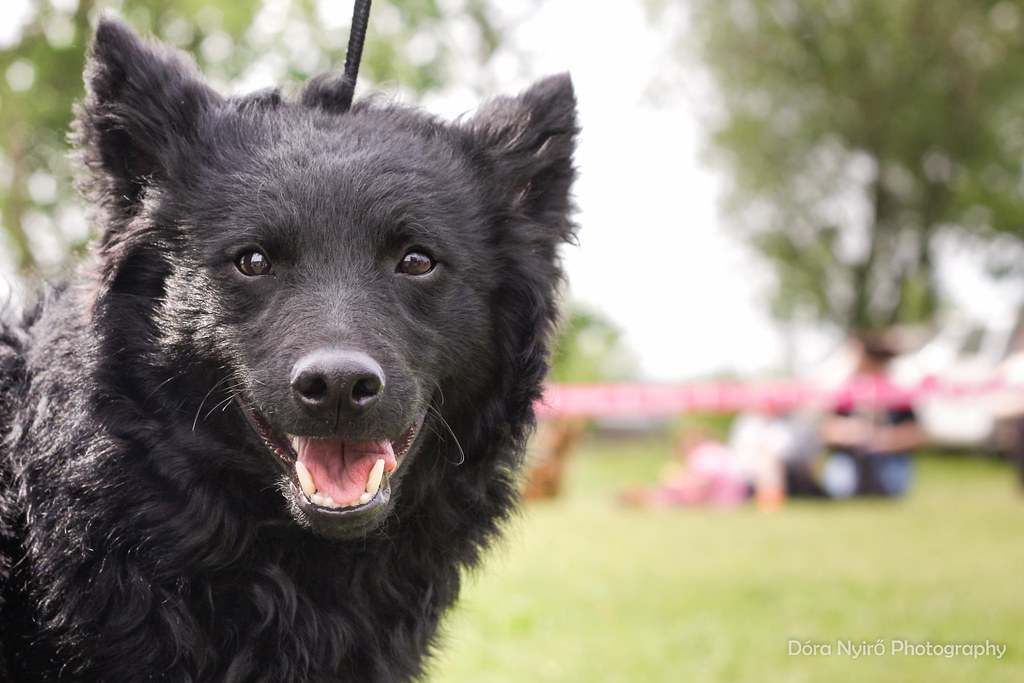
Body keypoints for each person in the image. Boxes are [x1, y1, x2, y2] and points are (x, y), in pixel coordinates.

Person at [819, 332, 923, 498]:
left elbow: (915, 434)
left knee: (893, 481)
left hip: (888, 458)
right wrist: (851, 433)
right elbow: (827, 430)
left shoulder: (896, 393)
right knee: (839, 483)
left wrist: (886, 439)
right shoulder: (847, 392)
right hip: (851, 457)